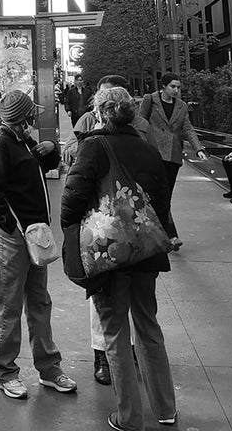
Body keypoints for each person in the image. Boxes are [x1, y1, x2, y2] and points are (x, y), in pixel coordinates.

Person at [61, 86, 176, 431]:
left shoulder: (94, 146)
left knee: (114, 332)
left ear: (100, 113)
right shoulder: (148, 148)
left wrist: (78, 230)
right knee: (148, 326)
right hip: (146, 254)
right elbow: (162, 203)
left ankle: (128, 418)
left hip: (109, 256)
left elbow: (71, 202)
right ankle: (166, 409)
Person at [0, 89, 77, 400]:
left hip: (33, 236)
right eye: (31, 116)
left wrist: (48, 152)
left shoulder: (22, 141)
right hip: (13, 237)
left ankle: (49, 368)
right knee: (10, 306)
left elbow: (39, 165)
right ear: (22, 119)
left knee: (39, 301)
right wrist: (14, 230)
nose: (35, 119)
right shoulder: (1, 144)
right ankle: (6, 372)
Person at [62, 74, 154, 388]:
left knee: (115, 303)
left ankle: (124, 375)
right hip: (111, 232)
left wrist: (70, 227)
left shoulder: (142, 131)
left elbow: (72, 194)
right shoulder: (89, 130)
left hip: (130, 234)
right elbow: (73, 164)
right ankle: (106, 357)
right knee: (110, 301)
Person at [138, 72, 207, 250]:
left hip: (173, 155)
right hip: (153, 153)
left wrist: (198, 148)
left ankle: (164, 235)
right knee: (158, 195)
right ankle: (169, 235)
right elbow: (140, 122)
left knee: (165, 195)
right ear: (164, 86)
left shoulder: (182, 106)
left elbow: (187, 128)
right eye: (173, 86)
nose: (176, 90)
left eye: (178, 87)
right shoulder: (150, 99)